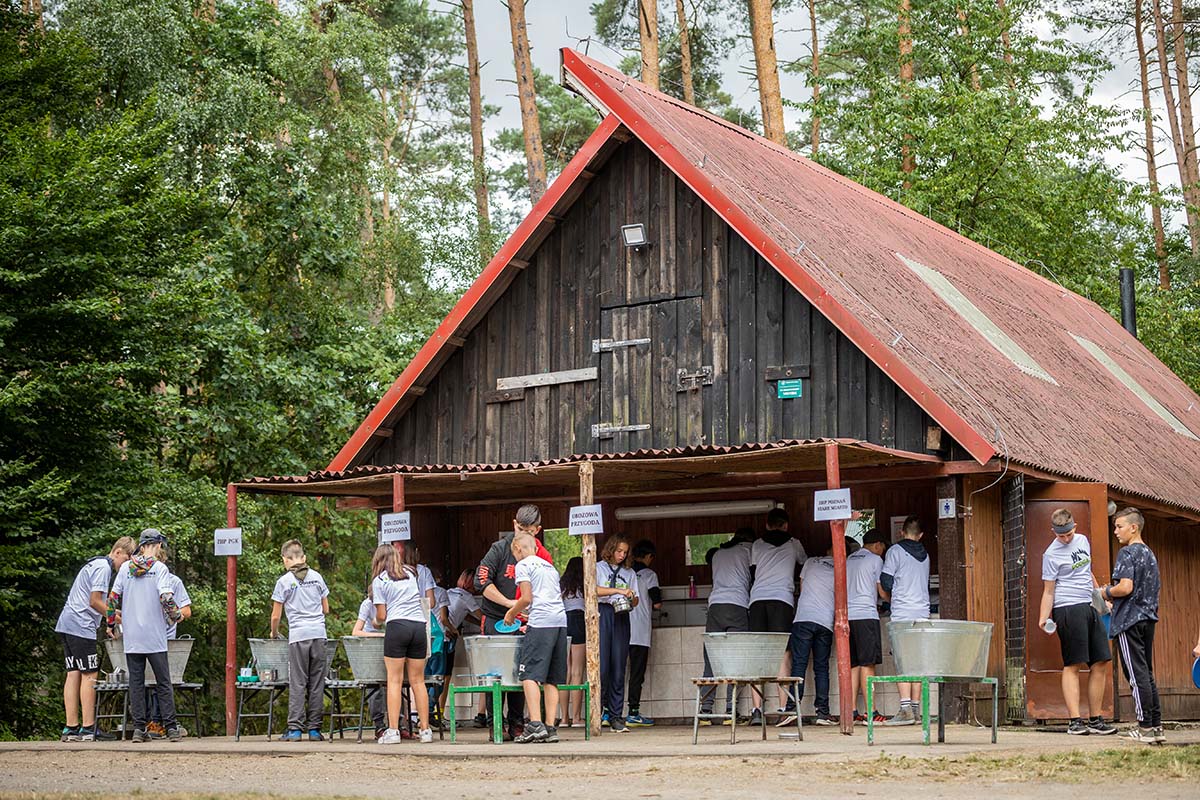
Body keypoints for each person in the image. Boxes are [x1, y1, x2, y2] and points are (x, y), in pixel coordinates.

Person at [474, 504, 553, 740]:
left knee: (521, 670)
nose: (522, 534)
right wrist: (510, 604)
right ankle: (495, 722)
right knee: (494, 673)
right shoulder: (498, 549)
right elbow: (481, 582)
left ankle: (517, 723)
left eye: (528, 531)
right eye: (520, 528)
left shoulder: (541, 553)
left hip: (524, 620)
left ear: (537, 530)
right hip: (496, 618)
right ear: (513, 524)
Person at [1036, 509, 1115, 735]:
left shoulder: (1082, 540)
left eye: (1069, 534)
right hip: (1067, 607)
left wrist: (1100, 598)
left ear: (1075, 527)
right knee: (1073, 662)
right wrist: (1044, 616)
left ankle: (1096, 718)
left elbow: (1087, 572)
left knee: (1101, 660)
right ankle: (1074, 721)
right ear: (1054, 532)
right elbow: (1049, 591)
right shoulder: (1050, 554)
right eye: (1062, 536)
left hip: (1089, 605)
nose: (1066, 539)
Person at [55, 536, 136, 742]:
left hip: (67, 623)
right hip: (81, 626)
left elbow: (101, 604)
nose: (124, 565)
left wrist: (111, 618)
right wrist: (118, 618)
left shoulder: (94, 563)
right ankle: (89, 728)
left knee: (73, 673)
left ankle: (70, 727)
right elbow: (94, 602)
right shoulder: (104, 568)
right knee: (89, 674)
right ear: (117, 552)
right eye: (125, 559)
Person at [106, 529, 183, 743]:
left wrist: (110, 623)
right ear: (158, 545)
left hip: (133, 636)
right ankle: (171, 728)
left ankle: (139, 729)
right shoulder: (159, 568)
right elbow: (166, 596)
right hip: (155, 635)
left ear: (141, 546)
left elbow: (113, 598)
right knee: (163, 682)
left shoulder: (126, 569)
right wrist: (176, 616)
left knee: (136, 683)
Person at [1101, 508, 1164, 744]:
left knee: (1136, 677)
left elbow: (1125, 587)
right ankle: (1157, 726)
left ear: (1133, 527)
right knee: (1147, 674)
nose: (1115, 531)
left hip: (1129, 620)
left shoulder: (1127, 553)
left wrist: (1106, 591)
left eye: (1119, 526)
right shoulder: (1150, 554)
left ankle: (1144, 728)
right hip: (1148, 619)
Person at [504, 532, 568, 743]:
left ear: (518, 549)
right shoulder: (550, 567)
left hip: (540, 623)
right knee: (552, 677)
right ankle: (550, 727)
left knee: (529, 674)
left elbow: (526, 597)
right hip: (559, 621)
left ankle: (535, 724)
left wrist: (511, 613)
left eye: (514, 553)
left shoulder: (524, 566)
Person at [747, 508, 806, 725]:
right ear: (786, 525)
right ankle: (782, 707)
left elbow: (753, 573)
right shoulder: (794, 543)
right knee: (783, 654)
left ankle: (756, 710)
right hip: (782, 600)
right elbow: (804, 565)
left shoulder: (757, 545)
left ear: (767, 524)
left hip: (757, 600)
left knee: (758, 655)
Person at [270, 539, 331, 742]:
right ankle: (314, 729)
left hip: (298, 636)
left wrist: (274, 632)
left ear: (285, 560)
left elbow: (276, 616)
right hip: (319, 634)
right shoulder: (317, 577)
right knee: (316, 683)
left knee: (298, 682)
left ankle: (295, 729)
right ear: (303, 558)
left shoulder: (284, 582)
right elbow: (326, 609)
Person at [373, 545, 433, 744]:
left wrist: (375, 622)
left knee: (395, 680)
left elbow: (381, 616)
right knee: (418, 680)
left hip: (397, 626)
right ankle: (425, 730)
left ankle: (393, 731)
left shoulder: (379, 580)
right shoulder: (410, 573)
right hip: (418, 626)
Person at [698, 528, 753, 724]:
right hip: (737, 606)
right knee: (735, 660)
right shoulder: (748, 550)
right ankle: (731, 712)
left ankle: (705, 711)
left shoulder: (719, 554)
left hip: (715, 607)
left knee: (711, 660)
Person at [778, 543, 836, 727]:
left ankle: (792, 709)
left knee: (799, 666)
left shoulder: (811, 562)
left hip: (803, 619)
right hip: (825, 621)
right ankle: (822, 713)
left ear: (827, 550)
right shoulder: (843, 566)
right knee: (821, 668)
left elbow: (802, 588)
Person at [597, 534, 638, 732]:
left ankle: (616, 716)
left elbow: (636, 598)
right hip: (603, 613)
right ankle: (597, 712)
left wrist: (630, 596)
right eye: (619, 551)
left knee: (619, 667)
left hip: (622, 615)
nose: (621, 555)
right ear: (611, 549)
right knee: (602, 667)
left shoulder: (629, 572)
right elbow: (593, 590)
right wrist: (618, 591)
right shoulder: (598, 567)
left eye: (625, 552)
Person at [148, 554, 192, 739]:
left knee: (162, 680)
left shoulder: (174, 581)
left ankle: (160, 723)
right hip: (144, 637)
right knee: (144, 681)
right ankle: (149, 722)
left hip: (166, 639)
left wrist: (173, 617)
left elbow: (187, 610)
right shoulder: (139, 578)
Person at [845, 534, 886, 725]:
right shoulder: (875, 560)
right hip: (866, 615)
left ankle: (852, 711)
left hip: (848, 617)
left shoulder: (848, 559)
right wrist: (893, 600)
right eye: (883, 548)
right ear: (877, 545)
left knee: (853, 664)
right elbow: (881, 591)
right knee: (868, 664)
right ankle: (871, 711)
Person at [353, 545, 390, 742]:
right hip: (371, 653)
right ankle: (379, 725)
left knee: (396, 685)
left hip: (389, 650)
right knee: (375, 689)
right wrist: (378, 635)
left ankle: (398, 723)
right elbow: (356, 631)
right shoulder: (367, 605)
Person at [627, 540, 662, 727]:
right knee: (636, 674)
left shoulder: (626, 572)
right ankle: (633, 712)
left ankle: (607, 713)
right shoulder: (649, 574)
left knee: (616, 673)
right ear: (648, 557)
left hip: (623, 629)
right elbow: (657, 603)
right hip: (640, 631)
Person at [559, 556, 586, 727]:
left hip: (563, 622)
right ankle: (576, 718)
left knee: (565, 673)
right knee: (577, 672)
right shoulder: (585, 585)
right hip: (578, 620)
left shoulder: (562, 586)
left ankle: (563, 718)